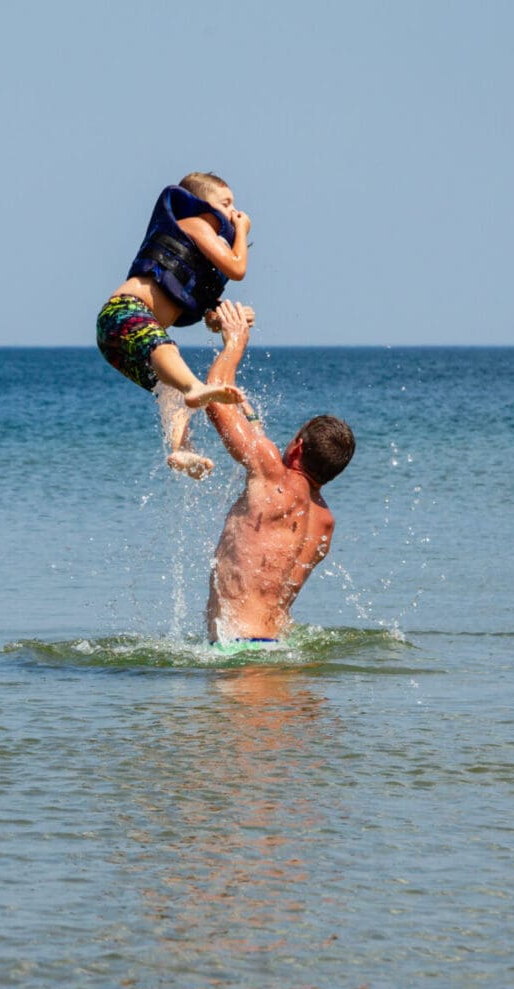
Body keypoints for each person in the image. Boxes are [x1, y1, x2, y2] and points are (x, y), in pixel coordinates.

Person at [199, 301, 355, 651]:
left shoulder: (271, 475)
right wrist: (250, 417)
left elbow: (211, 399)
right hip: (275, 648)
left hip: (234, 649)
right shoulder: (324, 522)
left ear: (297, 448)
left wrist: (235, 342)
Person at [96, 172, 255, 479]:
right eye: (227, 203)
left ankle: (182, 448)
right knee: (168, 353)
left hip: (119, 338)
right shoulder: (195, 225)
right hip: (124, 311)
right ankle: (195, 388)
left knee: (168, 386)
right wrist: (242, 229)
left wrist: (227, 318)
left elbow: (207, 317)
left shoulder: (199, 257)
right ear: (200, 204)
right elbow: (237, 267)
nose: (235, 212)